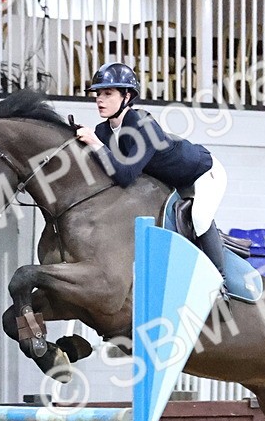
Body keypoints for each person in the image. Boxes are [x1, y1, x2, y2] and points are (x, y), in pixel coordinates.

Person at [74, 62, 230, 278]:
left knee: (199, 218)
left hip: (203, 173)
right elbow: (104, 171)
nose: (99, 99)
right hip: (173, 180)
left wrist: (95, 144)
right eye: (98, 93)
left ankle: (219, 281)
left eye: (108, 93)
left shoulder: (142, 124)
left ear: (127, 97)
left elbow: (125, 175)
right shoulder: (103, 130)